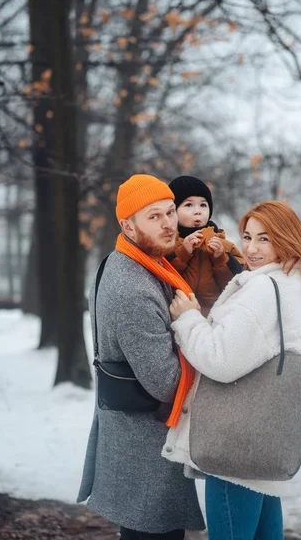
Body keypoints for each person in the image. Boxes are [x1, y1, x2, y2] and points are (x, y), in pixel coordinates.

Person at [162, 200, 301, 540]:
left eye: (265, 238)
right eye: (247, 237)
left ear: (286, 240)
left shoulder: (262, 290)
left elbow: (221, 359)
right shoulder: (293, 285)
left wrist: (188, 318)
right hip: (266, 441)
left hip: (237, 447)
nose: (252, 248)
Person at [77, 174, 205, 540]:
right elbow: (165, 383)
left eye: (169, 212)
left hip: (135, 438)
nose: (168, 223)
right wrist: (190, 322)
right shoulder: (133, 286)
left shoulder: (132, 264)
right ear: (127, 225)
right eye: (154, 216)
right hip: (145, 446)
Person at [167, 175, 244, 316]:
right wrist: (183, 253)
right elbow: (163, 278)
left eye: (203, 205)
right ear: (173, 211)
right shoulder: (168, 243)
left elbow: (237, 283)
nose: (198, 211)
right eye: (188, 205)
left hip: (214, 317)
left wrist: (221, 259)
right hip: (176, 315)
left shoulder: (224, 245)